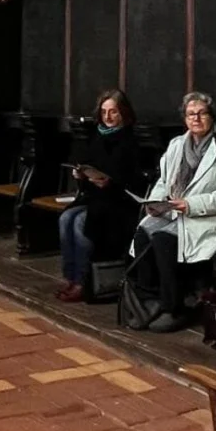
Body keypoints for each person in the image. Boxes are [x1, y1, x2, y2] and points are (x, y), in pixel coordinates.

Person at [130, 91, 216, 332]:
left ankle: (174, 307)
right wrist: (154, 202)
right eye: (191, 114)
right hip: (173, 211)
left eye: (202, 113)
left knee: (162, 239)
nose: (196, 119)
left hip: (205, 217)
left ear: (211, 117)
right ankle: (150, 300)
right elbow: (163, 180)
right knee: (142, 231)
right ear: (184, 119)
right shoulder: (177, 144)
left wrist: (191, 204)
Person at [56, 89, 143, 302]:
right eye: (104, 112)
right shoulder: (97, 135)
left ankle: (83, 282)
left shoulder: (131, 139)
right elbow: (87, 163)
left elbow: (135, 180)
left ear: (123, 112)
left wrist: (110, 182)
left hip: (120, 201)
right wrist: (81, 174)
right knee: (66, 218)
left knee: (80, 223)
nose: (108, 117)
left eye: (113, 112)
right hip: (95, 197)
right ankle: (70, 277)